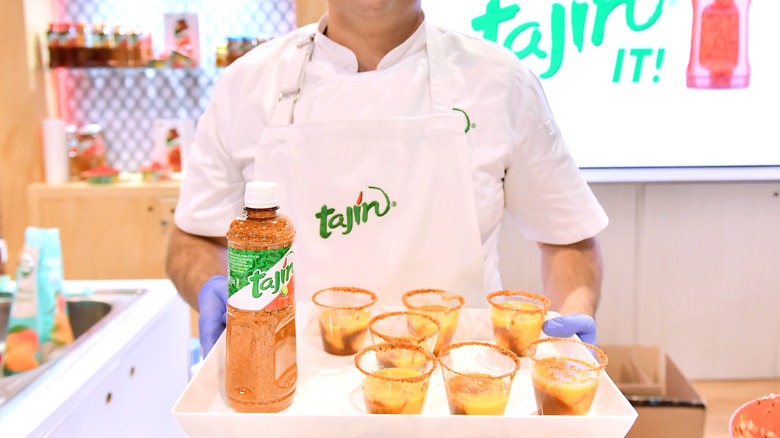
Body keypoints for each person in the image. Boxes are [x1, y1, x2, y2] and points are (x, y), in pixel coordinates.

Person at [166, 0, 607, 357]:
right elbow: (193, 239)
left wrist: (565, 338)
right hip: (290, 387)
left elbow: (567, 238)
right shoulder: (245, 85)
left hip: (460, 389)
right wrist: (211, 285)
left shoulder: (501, 82)